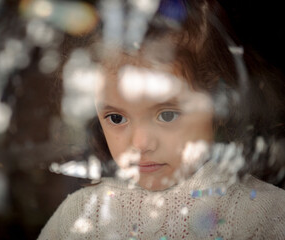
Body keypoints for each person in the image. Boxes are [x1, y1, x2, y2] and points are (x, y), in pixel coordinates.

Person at [38, 0, 285, 239]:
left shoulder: (265, 214)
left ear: (219, 107)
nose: (141, 143)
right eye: (116, 117)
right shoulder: (81, 215)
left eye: (167, 115)